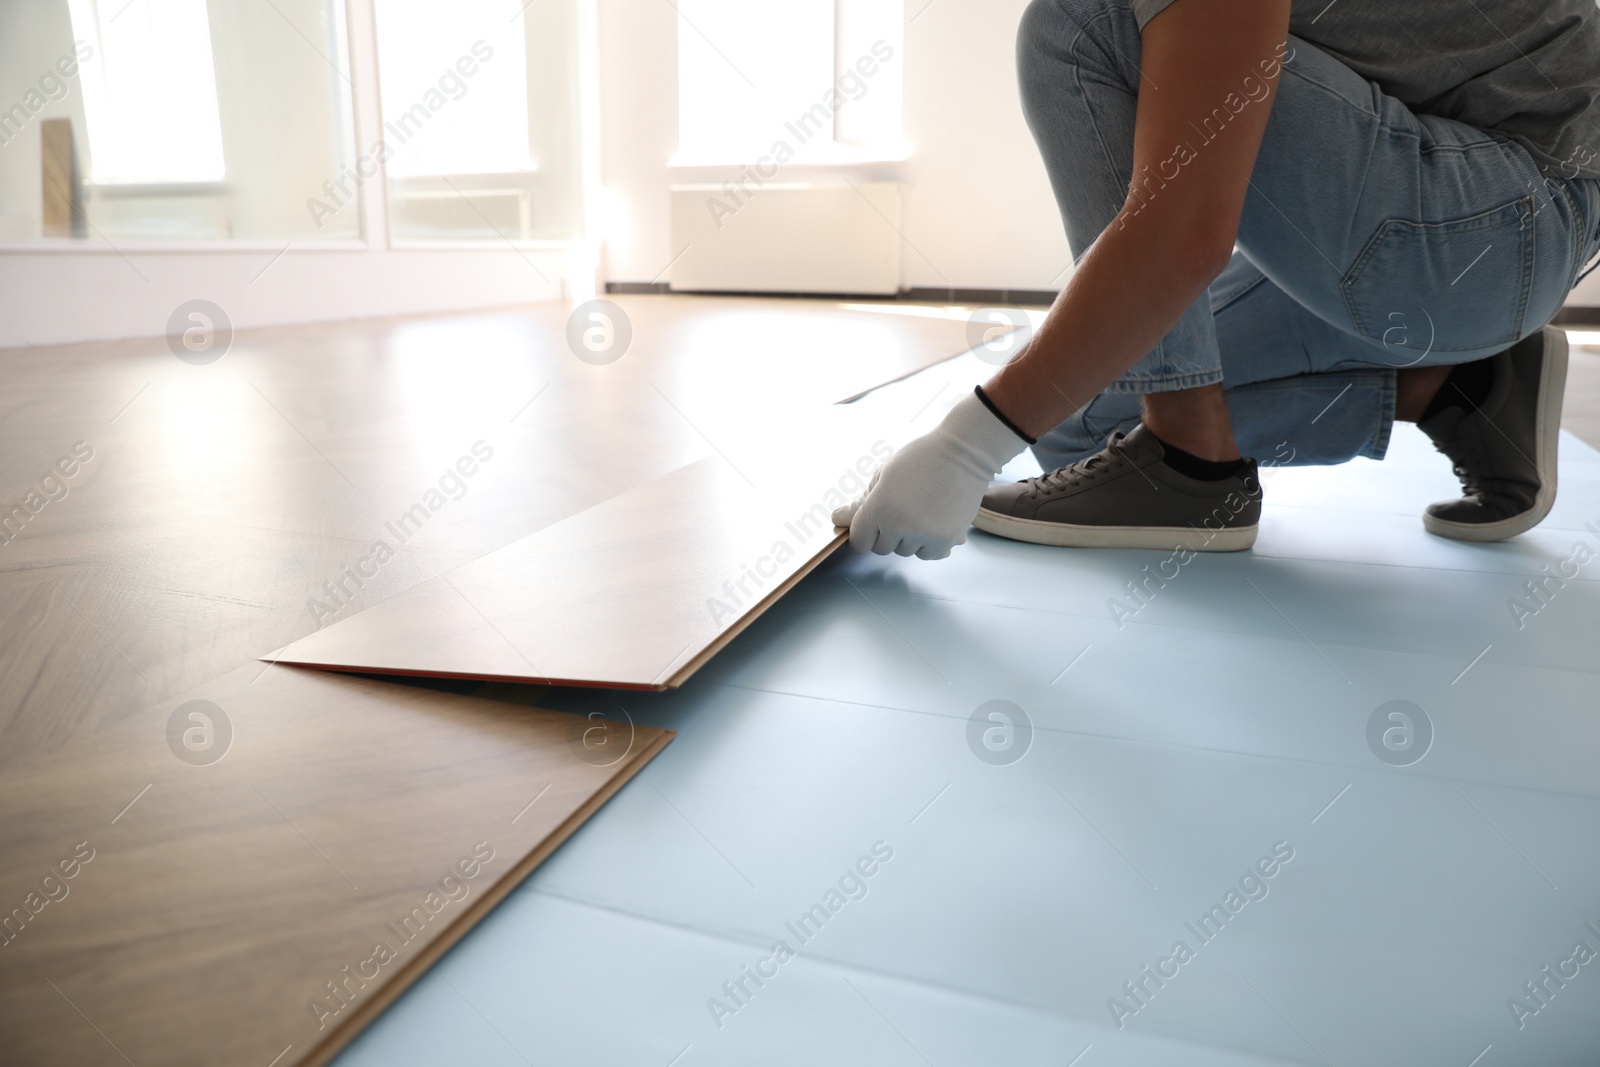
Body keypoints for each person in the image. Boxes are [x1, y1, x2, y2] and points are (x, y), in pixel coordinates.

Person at [834, 0, 1600, 558]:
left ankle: (1190, 464)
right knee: (1080, 432)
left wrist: (969, 443)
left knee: (1079, 25)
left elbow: (1186, 228)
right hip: (1456, 214)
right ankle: (1462, 387)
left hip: (1500, 218)